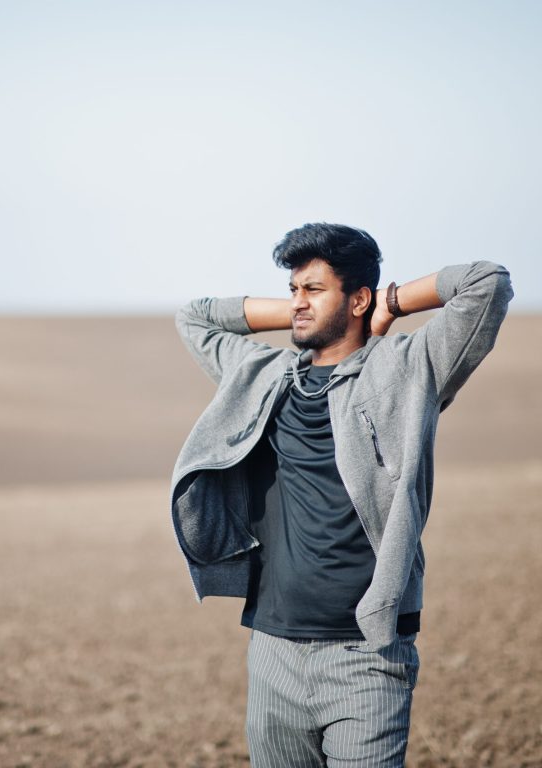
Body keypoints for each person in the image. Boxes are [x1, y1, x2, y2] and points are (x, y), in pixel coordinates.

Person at [169, 222, 513, 767]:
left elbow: (486, 282)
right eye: (293, 290)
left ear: (357, 298)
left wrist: (387, 305)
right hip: (272, 649)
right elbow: (194, 316)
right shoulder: (264, 374)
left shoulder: (406, 369)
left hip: (366, 656)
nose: (297, 301)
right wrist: (303, 312)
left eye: (313, 289)